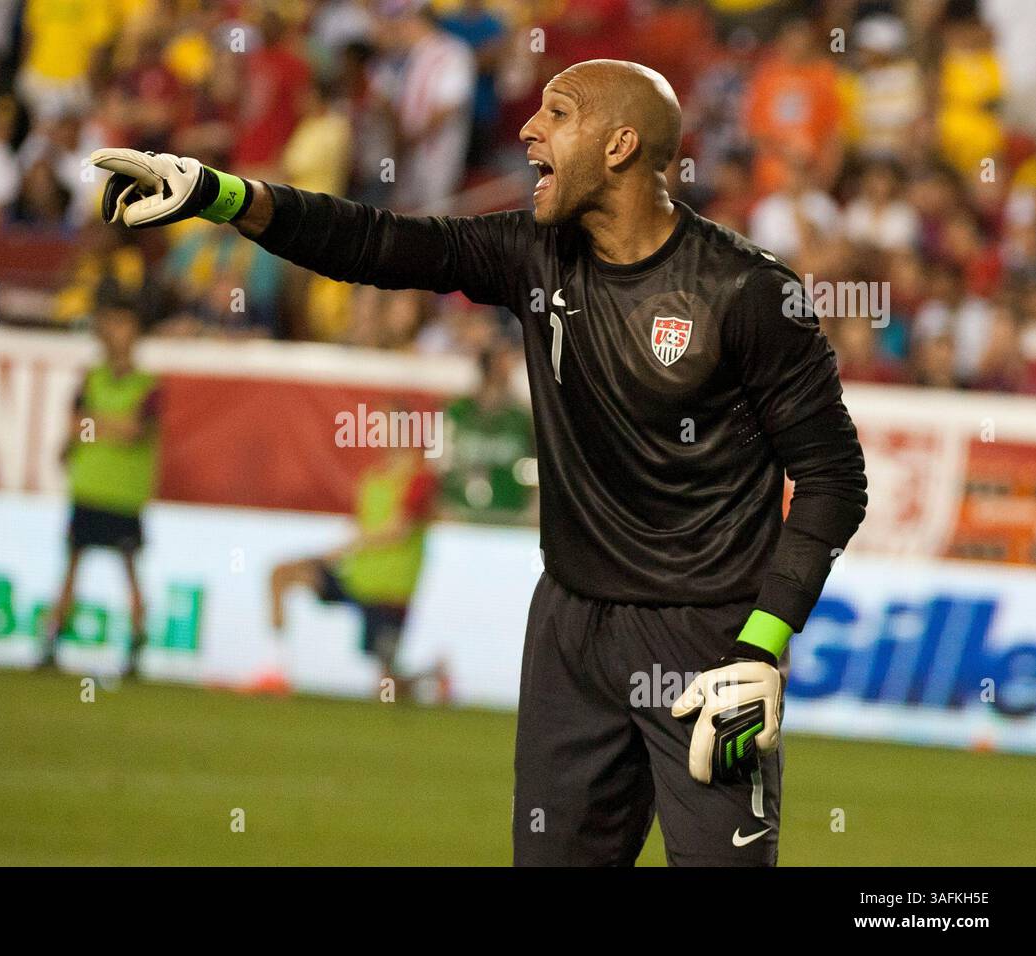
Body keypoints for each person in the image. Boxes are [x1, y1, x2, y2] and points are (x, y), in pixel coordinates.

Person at [89, 56, 867, 866]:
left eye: (558, 114)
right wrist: (223, 195)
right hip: (570, 629)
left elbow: (833, 478)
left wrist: (762, 646)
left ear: (621, 145)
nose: (528, 129)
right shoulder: (533, 254)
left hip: (710, 641)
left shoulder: (746, 293)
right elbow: (382, 244)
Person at [42, 283, 161, 678]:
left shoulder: (148, 387)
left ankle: (137, 650)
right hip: (88, 488)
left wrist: (92, 425)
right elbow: (80, 424)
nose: (115, 332)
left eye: (122, 324)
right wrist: (99, 427)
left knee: (129, 574)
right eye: (109, 323)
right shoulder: (92, 379)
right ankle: (51, 643)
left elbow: (131, 431)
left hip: (124, 494)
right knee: (72, 568)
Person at [268, 436, 438, 698]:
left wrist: (350, 545)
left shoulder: (420, 480)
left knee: (387, 688)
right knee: (282, 574)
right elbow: (362, 521)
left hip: (390, 590)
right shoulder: (372, 477)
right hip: (356, 577)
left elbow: (398, 530)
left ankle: (430, 677)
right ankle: (275, 666)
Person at [437, 344, 536, 524]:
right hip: (460, 514)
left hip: (510, 517)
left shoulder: (522, 418)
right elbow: (439, 464)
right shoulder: (457, 412)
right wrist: (442, 506)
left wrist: (533, 509)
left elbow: (537, 466)